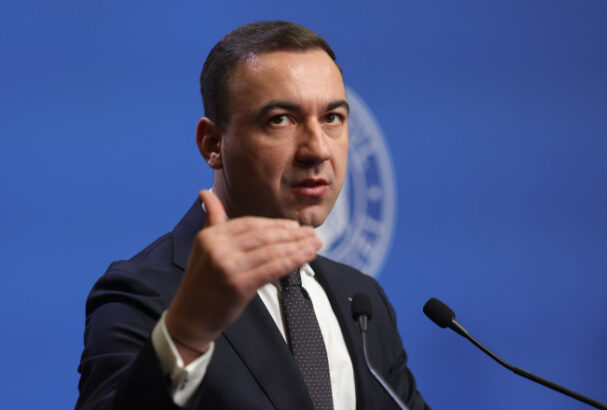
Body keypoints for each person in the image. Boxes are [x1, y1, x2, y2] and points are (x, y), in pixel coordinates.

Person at [76, 21, 428, 410]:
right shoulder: (145, 292)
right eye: (281, 119)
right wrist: (187, 333)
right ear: (213, 144)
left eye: (332, 118)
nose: (318, 149)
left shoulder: (363, 301)